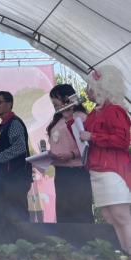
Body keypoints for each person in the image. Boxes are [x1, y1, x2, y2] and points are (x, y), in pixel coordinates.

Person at [80, 66, 131, 253]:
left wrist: (93, 137)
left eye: (91, 87)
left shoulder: (114, 111)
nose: (87, 91)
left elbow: (123, 140)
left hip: (112, 168)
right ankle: (126, 253)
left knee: (120, 214)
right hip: (98, 168)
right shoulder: (95, 112)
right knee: (110, 216)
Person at [0, 91, 33, 244]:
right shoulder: (4, 125)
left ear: (9, 104)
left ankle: (22, 248)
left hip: (16, 178)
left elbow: (19, 147)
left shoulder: (14, 123)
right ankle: (9, 249)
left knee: (17, 216)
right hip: (6, 178)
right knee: (5, 217)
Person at [47, 84, 93, 223]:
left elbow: (87, 145)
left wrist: (72, 154)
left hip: (77, 171)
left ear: (66, 97)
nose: (53, 102)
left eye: (55, 98)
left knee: (80, 211)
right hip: (61, 171)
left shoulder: (81, 117)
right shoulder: (57, 119)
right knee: (64, 213)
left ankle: (87, 237)